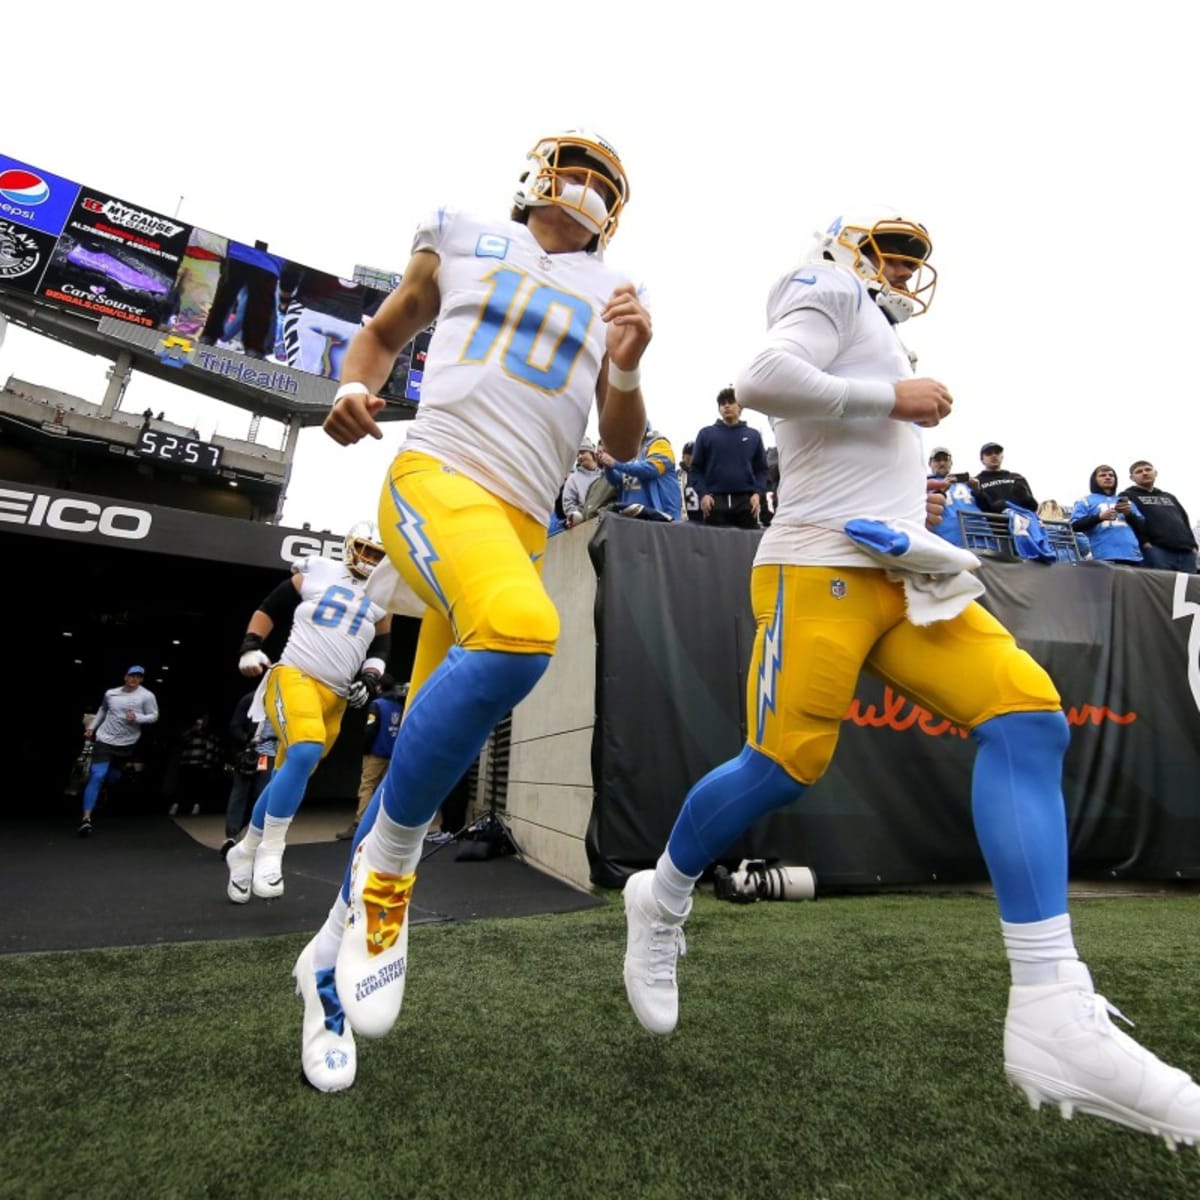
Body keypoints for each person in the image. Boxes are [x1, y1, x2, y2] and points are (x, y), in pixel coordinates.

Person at [620, 208, 1200, 1148]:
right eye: (889, 250)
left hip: (904, 569)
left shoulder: (885, 327)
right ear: (848, 250)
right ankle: (665, 893)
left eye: (912, 257)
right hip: (817, 565)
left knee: (1027, 718)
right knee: (784, 764)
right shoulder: (828, 285)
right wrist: (893, 402)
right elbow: (760, 377)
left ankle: (1052, 1000)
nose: (901, 268)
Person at [300, 128, 651, 1092]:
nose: (583, 187)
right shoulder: (457, 234)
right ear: (539, 174)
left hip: (520, 522)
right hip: (439, 475)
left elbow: (622, 441)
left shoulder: (618, 292)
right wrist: (354, 386)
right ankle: (393, 871)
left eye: (604, 182)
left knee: (427, 743)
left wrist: (625, 362)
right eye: (575, 168)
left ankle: (324, 971)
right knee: (525, 629)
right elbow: (383, 331)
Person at [223, 522, 392, 903]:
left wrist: (368, 677)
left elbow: (381, 648)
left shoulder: (384, 595)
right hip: (295, 673)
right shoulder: (319, 569)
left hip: (334, 696)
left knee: (292, 771)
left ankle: (245, 849)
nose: (369, 559)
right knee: (304, 750)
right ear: (350, 545)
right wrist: (250, 646)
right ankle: (272, 849)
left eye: (377, 554)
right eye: (364, 549)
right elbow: (269, 608)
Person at [77, 666, 158, 836]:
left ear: (141, 680)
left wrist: (138, 717)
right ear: (125, 677)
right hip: (104, 738)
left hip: (127, 743)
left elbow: (154, 715)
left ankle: (102, 787)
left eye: (138, 677)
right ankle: (86, 819)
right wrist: (92, 727)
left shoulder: (147, 696)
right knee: (97, 775)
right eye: (132, 675)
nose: (134, 679)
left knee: (113, 777)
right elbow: (103, 709)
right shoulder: (111, 693)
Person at [336, 676, 408, 841]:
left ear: (379, 688)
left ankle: (360, 823)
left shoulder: (377, 705)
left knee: (367, 787)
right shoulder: (399, 706)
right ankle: (384, 826)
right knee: (386, 789)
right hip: (392, 754)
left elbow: (371, 729)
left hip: (376, 754)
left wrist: (363, 748)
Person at [690, 387, 768, 529]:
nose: (726, 405)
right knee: (715, 548)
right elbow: (695, 469)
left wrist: (757, 493)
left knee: (747, 547)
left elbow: (762, 470)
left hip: (746, 503)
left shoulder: (753, 436)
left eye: (731, 402)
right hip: (714, 502)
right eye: (722, 403)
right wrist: (703, 494)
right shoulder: (706, 434)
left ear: (740, 407)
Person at [220, 689, 278, 857]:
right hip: (249, 754)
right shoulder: (251, 699)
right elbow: (235, 726)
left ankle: (251, 835)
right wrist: (248, 739)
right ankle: (231, 836)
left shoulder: (284, 700)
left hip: (268, 756)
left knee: (261, 796)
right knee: (240, 793)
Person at [1120, 461, 1198, 573]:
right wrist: (1144, 543)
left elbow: (1184, 520)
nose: (1145, 473)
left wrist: (1193, 545)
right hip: (1156, 550)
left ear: (1155, 473)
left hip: (1187, 552)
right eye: (1139, 471)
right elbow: (1126, 520)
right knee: (1162, 588)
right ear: (1132, 477)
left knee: (1188, 589)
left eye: (1148, 470)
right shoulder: (1126, 496)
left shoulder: (1169, 496)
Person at [597, 422, 682, 521]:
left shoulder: (660, 443)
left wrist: (615, 463)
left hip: (662, 519)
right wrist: (608, 467)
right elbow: (617, 480)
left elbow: (651, 468)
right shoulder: (628, 451)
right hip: (631, 518)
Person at [1069, 466, 1142, 564]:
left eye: (1111, 475)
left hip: (1132, 554)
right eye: (1102, 475)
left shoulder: (1127, 502)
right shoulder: (1085, 501)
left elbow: (1142, 526)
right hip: (1103, 555)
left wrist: (1129, 514)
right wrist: (1099, 517)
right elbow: (1074, 526)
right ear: (1094, 480)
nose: (1108, 477)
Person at [975, 442, 1038, 514]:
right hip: (992, 523)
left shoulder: (1017, 478)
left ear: (1002, 457)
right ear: (982, 459)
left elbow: (1033, 507)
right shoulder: (976, 482)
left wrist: (1026, 497)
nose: (994, 456)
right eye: (989, 453)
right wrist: (977, 491)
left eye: (997, 453)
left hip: (1019, 523)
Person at [561, 438, 605, 529]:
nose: (579, 457)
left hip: (604, 517)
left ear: (591, 453)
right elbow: (568, 504)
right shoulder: (573, 479)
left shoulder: (604, 474)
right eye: (577, 455)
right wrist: (579, 515)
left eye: (582, 452)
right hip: (583, 523)